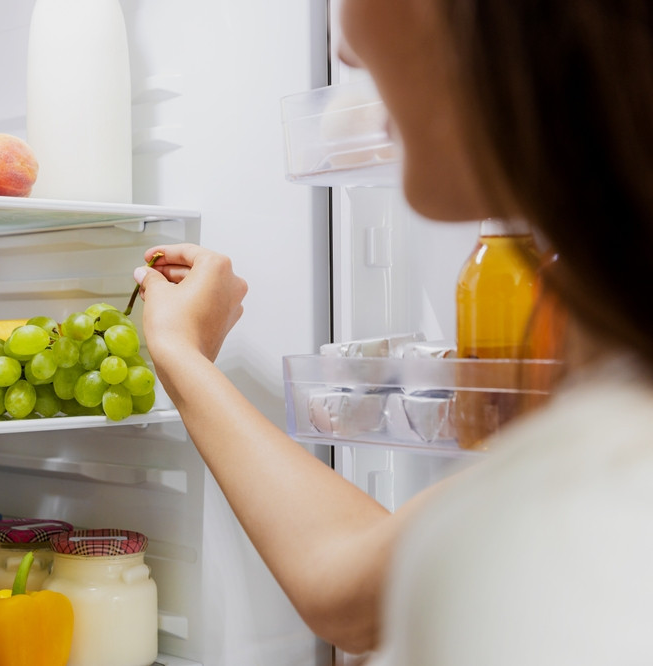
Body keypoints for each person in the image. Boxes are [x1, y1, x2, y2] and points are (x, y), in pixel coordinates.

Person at [132, 0, 653, 662]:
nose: (343, 48)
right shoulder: (599, 439)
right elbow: (346, 586)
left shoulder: (587, 496)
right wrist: (182, 356)